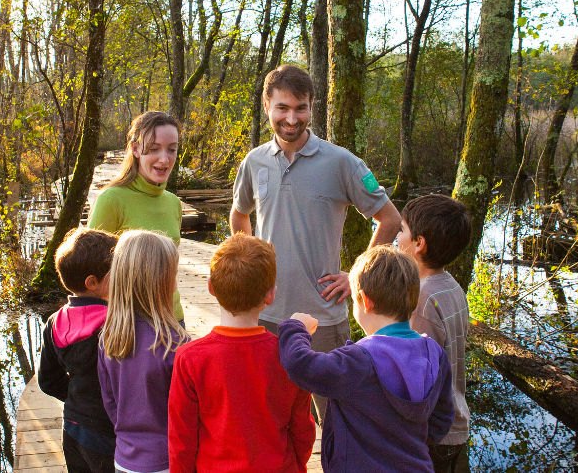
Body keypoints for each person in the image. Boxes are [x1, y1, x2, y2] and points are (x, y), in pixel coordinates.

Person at [229, 64, 402, 422]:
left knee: (336, 417)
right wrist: (249, 272)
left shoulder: (342, 163)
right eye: (282, 108)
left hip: (323, 318)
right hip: (265, 316)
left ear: (311, 107)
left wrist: (356, 276)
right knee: (269, 414)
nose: (291, 119)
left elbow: (390, 220)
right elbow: (238, 216)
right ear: (267, 107)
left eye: (300, 108)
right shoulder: (254, 162)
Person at [278, 245, 454, 472]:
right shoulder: (435, 354)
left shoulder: (357, 361)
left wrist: (296, 328)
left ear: (364, 300)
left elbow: (300, 365)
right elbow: (441, 420)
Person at [168, 233, 316, 473]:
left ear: (210, 288)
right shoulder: (288, 355)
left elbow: (181, 441)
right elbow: (303, 430)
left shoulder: (189, 359)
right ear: (271, 295)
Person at [97, 230, 190, 473]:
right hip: (169, 460)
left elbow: (110, 403)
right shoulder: (175, 344)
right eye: (174, 275)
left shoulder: (108, 339)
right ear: (160, 281)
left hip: (125, 459)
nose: (176, 283)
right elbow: (188, 413)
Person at [397, 194, 472, 472]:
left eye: (402, 229)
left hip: (433, 430)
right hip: (455, 419)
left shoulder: (421, 301)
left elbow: (416, 379)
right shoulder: (452, 286)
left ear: (419, 243)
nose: (397, 235)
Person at [88, 111, 185, 324]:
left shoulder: (173, 203)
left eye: (172, 150)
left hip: (174, 319)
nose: (164, 159)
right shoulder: (111, 199)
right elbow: (90, 272)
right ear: (135, 148)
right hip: (130, 324)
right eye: (154, 149)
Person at [38, 227, 120, 473]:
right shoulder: (114, 323)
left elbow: (47, 381)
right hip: (107, 431)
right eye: (115, 271)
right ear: (92, 282)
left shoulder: (54, 322)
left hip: (73, 426)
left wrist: (75, 397)